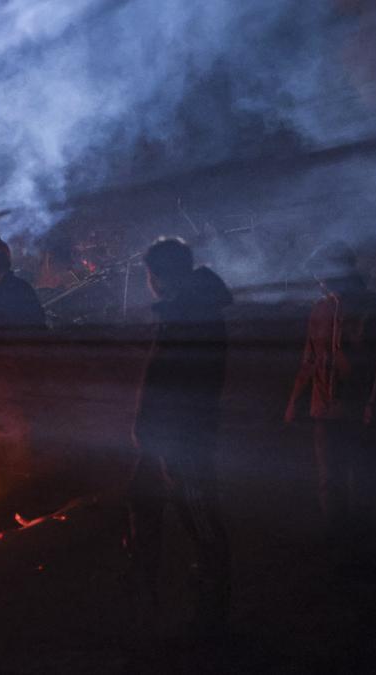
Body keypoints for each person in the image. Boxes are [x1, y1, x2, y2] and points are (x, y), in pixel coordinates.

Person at [129, 237, 233, 637]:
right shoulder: (181, 313)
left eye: (150, 275)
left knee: (201, 520)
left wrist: (165, 431)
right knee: (141, 502)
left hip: (183, 440)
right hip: (162, 439)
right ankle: (144, 597)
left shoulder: (195, 316)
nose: (149, 283)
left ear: (162, 275)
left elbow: (182, 381)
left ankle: (211, 615)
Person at [285, 242, 376, 552]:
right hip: (324, 407)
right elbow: (309, 360)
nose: (320, 279)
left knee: (360, 477)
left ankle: (361, 540)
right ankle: (337, 541)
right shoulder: (320, 309)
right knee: (329, 478)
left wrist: (372, 404)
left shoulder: (371, 307)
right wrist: (295, 400)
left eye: (324, 272)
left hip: (357, 407)